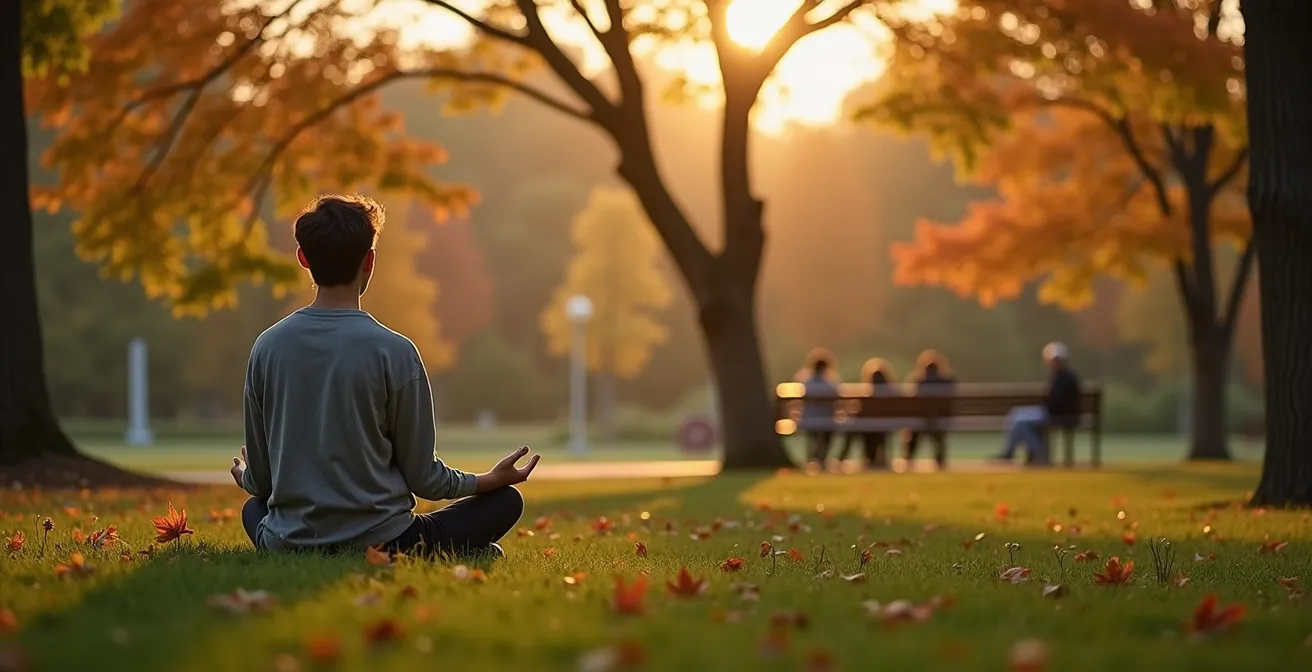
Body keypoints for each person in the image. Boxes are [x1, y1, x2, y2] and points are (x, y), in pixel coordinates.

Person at [229, 195, 538, 558]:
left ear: (303, 258)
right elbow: (425, 479)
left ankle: (297, 547)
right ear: (370, 260)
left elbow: (262, 483)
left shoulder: (267, 347)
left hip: (289, 541)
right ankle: (450, 552)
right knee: (506, 502)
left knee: (254, 509)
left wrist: (246, 476)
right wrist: (489, 480)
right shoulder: (396, 351)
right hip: (386, 541)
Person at [994, 342, 1082, 465]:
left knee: (1019, 423)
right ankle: (1017, 454)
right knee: (1017, 416)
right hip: (1058, 414)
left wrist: (1044, 403)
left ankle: (1036, 454)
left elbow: (1054, 401)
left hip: (1057, 415)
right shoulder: (1066, 376)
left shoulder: (1062, 377)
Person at [838, 358, 899, 469]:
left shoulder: (867, 395)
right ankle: (874, 458)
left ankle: (843, 458)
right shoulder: (892, 393)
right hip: (886, 427)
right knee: (872, 429)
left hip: (868, 428)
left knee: (862, 428)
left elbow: (858, 412)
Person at [904, 350, 956, 469]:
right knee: (938, 431)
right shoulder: (948, 382)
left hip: (921, 420)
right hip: (940, 419)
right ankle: (940, 459)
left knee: (913, 431)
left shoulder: (918, 382)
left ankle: (908, 459)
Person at [799, 348, 840, 468]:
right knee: (828, 429)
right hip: (827, 420)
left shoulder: (807, 383)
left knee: (816, 433)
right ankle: (820, 458)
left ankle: (814, 457)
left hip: (808, 420)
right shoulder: (831, 384)